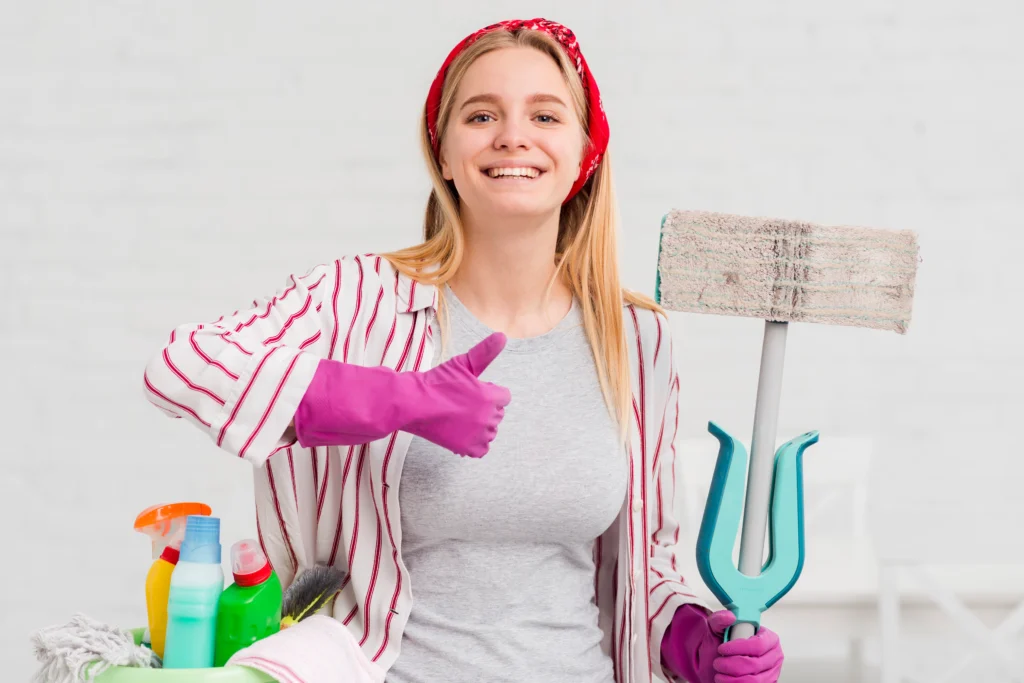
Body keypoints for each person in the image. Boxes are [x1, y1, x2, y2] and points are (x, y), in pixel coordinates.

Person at [143, 17, 785, 683]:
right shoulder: (360, 300)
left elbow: (646, 570)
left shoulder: (634, 338)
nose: (514, 135)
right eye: (481, 115)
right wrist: (392, 399)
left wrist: (692, 639)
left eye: (545, 114)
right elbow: (181, 365)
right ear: (443, 153)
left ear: (584, 151)